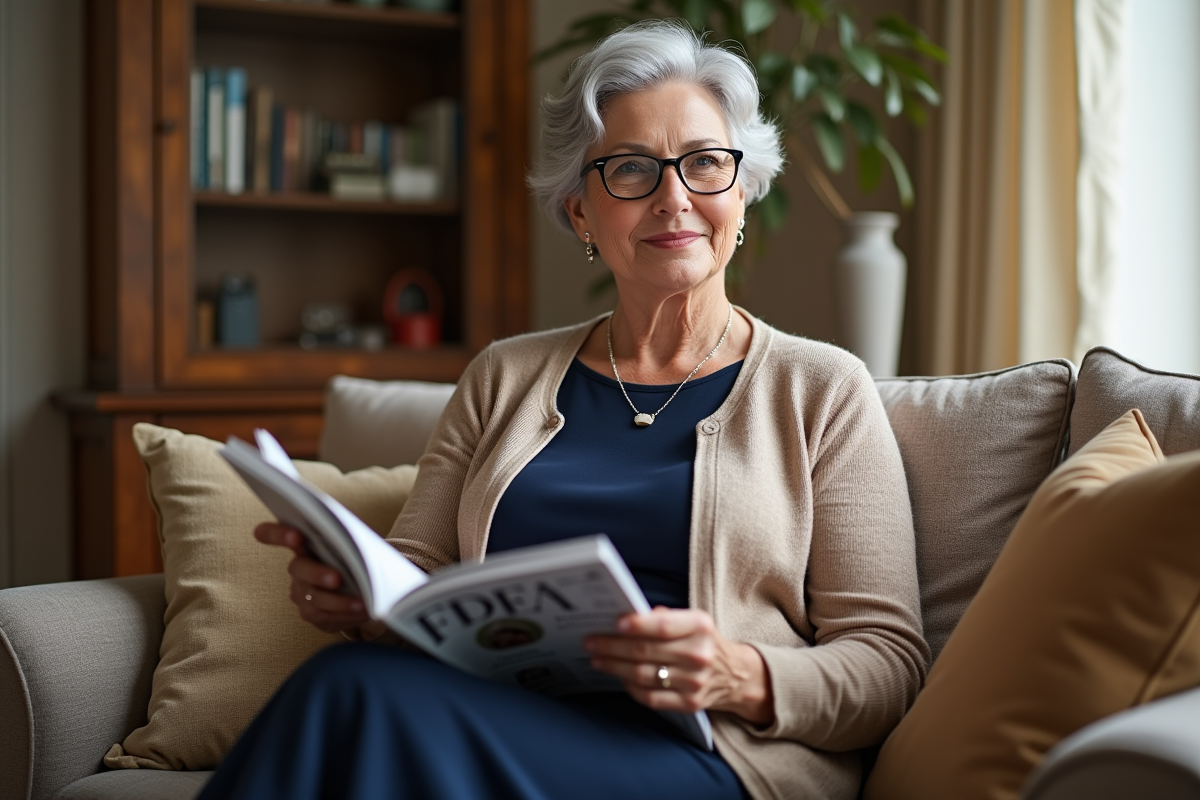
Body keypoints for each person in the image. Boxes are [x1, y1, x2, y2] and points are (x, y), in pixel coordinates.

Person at [199, 20, 928, 800]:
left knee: (351, 696)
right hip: (492, 713)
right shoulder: (503, 375)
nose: (674, 197)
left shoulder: (822, 389)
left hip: (708, 754)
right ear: (581, 212)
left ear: (742, 193)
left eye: (706, 164)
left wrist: (737, 674)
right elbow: (420, 573)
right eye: (631, 170)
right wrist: (361, 598)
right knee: (354, 672)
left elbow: (888, 660)